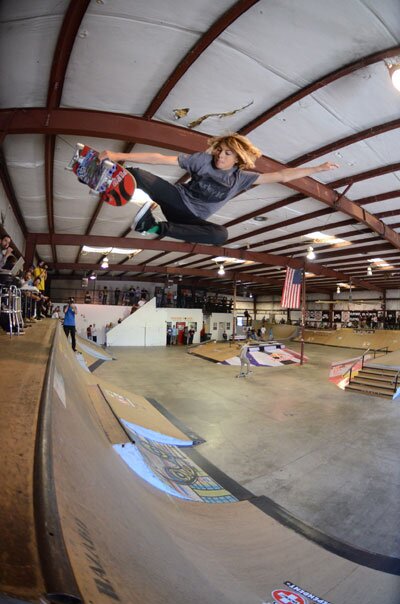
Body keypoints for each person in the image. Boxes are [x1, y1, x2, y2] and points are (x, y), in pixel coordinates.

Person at [99, 134, 338, 245]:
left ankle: (151, 226)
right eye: (219, 150)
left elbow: (283, 175)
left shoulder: (242, 178)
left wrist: (316, 169)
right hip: (177, 200)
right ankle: (105, 175)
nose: (220, 156)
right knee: (139, 175)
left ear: (237, 158)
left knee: (220, 235)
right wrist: (117, 155)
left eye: (227, 153)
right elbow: (159, 157)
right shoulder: (202, 161)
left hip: (193, 220)